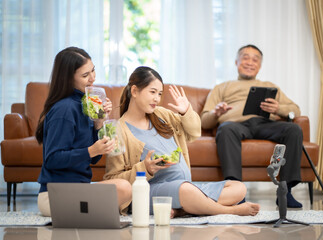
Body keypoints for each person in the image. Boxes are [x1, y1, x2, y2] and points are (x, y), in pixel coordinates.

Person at [103, 66, 260, 217]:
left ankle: (182, 210)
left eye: (159, 94)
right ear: (135, 91)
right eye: (152, 92)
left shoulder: (162, 115)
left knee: (238, 187)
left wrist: (186, 111)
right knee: (187, 191)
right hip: (151, 191)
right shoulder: (118, 130)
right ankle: (230, 211)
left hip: (183, 185)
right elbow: (113, 179)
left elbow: (194, 133)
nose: (157, 99)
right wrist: (145, 168)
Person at [201, 44, 303, 208]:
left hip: (265, 124)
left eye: (255, 59)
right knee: (226, 128)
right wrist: (216, 113)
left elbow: (295, 110)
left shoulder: (270, 86)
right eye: (245, 57)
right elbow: (204, 121)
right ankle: (236, 192)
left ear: (260, 66)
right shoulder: (222, 87)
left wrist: (279, 109)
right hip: (235, 126)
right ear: (236, 62)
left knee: (293, 129)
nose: (250, 62)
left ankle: (285, 191)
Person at [35, 47, 132, 217]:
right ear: (68, 79)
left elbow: (93, 159)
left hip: (78, 189)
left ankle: (86, 214)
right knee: (123, 187)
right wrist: (91, 150)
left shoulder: (84, 104)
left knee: (125, 187)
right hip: (54, 195)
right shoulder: (64, 109)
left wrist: (99, 123)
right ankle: (89, 214)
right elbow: (52, 159)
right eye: (85, 75)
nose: (92, 78)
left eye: (93, 70)